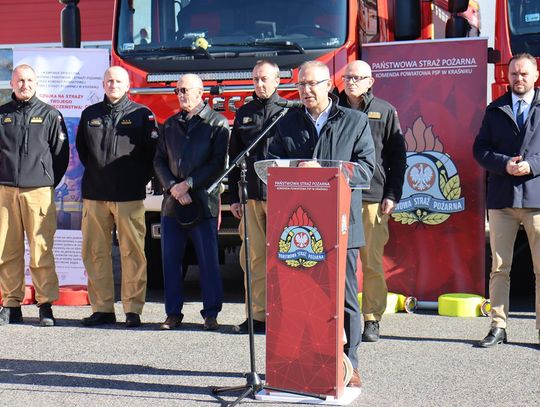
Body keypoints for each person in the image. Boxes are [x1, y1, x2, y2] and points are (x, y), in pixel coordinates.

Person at [269, 60, 375, 387]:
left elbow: (368, 170)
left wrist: (328, 171)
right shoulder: (286, 122)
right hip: (299, 230)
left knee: (345, 299)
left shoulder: (354, 121)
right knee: (301, 298)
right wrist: (293, 170)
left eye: (313, 84)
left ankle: (350, 365)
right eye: (301, 85)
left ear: (329, 85)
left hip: (342, 226)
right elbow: (272, 167)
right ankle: (305, 360)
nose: (306, 91)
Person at [76, 66, 159, 328]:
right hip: (95, 194)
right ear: (103, 84)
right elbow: (83, 151)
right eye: (109, 80)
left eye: (118, 81)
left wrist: (136, 180)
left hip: (129, 196)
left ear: (127, 86)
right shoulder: (90, 114)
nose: (113, 84)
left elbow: (152, 155)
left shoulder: (141, 115)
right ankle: (102, 309)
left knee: (132, 253)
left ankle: (133, 309)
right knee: (95, 252)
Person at [473, 53, 540, 348]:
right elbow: (480, 149)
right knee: (500, 268)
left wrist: (533, 165)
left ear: (535, 75)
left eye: (524, 73)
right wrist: (504, 164)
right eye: (514, 74)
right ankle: (498, 326)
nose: (518, 78)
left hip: (537, 197)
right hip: (502, 199)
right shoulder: (495, 109)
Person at [154, 73, 229, 331]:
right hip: (173, 204)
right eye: (178, 91)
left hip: (203, 203)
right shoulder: (170, 124)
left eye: (186, 90)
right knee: (170, 261)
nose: (182, 95)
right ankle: (173, 313)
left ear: (201, 92)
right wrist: (174, 187)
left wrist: (190, 184)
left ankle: (211, 313)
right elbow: (159, 161)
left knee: (208, 261)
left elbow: (219, 162)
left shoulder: (217, 123)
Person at [338, 60, 406, 342]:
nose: (351, 82)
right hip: (337, 194)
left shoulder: (385, 110)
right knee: (338, 262)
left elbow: (397, 156)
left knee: (371, 261)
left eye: (357, 77)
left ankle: (372, 319)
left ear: (370, 81)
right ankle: (338, 317)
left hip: (373, 196)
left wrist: (392, 194)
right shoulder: (333, 108)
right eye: (348, 77)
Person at [0, 64, 69, 326]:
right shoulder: (2, 115)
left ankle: (46, 304)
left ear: (36, 83)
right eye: (19, 80)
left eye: (29, 80)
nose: (24, 84)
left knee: (41, 250)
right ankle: (10, 303)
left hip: (39, 191)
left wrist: (46, 182)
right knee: (7, 249)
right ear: (12, 83)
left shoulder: (50, 115)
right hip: (5, 191)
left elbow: (61, 155)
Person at [229, 60, 284, 334]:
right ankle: (257, 315)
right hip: (250, 197)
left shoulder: (289, 112)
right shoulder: (244, 114)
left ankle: (284, 314)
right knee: (254, 259)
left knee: (284, 259)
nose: (259, 85)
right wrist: (233, 197)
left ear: (277, 80)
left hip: (281, 196)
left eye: (264, 79)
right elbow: (233, 157)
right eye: (255, 80)